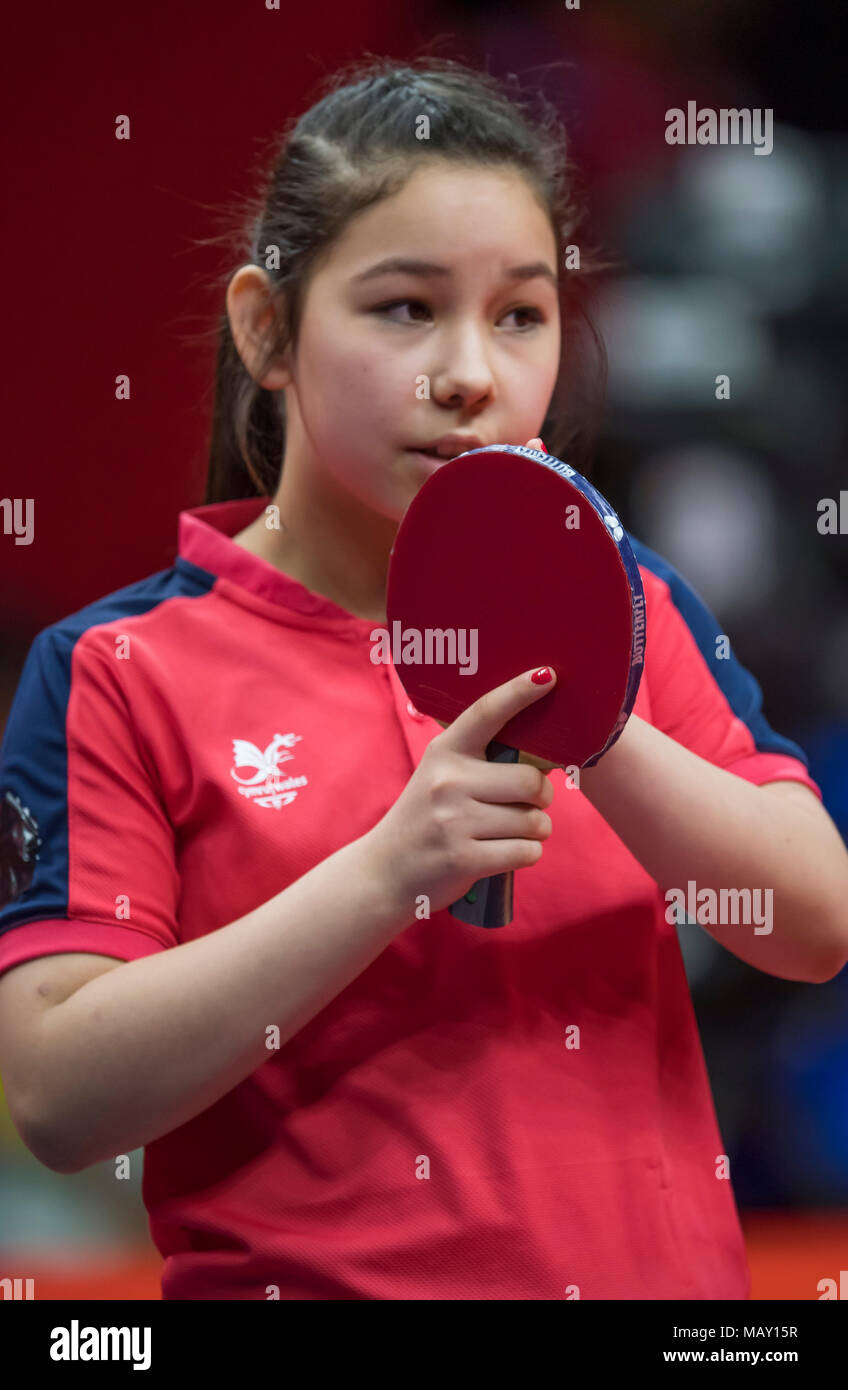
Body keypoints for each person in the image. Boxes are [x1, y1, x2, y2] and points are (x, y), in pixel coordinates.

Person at [0, 56, 846, 1302]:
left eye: (519, 314)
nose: (471, 372)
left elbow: (811, 927)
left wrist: (598, 722)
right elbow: (62, 1094)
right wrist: (389, 873)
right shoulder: (117, 669)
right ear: (266, 328)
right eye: (405, 309)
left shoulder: (632, 600)